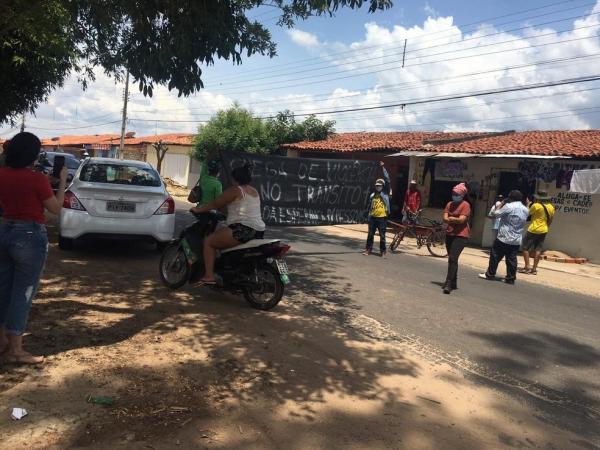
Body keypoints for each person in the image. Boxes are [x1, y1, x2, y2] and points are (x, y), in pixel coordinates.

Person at [0, 132, 68, 364]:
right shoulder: (37, 179)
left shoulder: (2, 174)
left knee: (4, 289)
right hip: (29, 236)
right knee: (23, 293)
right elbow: (55, 209)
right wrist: (62, 183)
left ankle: (2, 341)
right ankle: (15, 351)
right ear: (33, 154)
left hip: (5, 231)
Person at [191, 163, 265, 285]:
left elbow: (216, 203)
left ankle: (209, 276)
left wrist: (198, 210)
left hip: (242, 229)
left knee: (209, 242)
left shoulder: (235, 190)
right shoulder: (254, 191)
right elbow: (237, 206)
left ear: (234, 178)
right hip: (258, 230)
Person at [479, 190, 529, 285]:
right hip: (516, 239)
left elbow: (495, 214)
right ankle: (510, 278)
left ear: (510, 198)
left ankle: (490, 274)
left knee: (495, 256)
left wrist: (501, 204)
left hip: (504, 237)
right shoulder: (525, 209)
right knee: (511, 259)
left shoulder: (508, 206)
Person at [442, 182, 471, 294]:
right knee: (452, 259)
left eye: (457, 193)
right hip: (450, 234)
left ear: (462, 195)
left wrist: (450, 218)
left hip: (461, 235)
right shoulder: (449, 204)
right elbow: (445, 218)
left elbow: (462, 220)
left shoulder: (465, 205)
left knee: (453, 258)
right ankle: (453, 282)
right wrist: (455, 218)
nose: (454, 195)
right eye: (454, 193)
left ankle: (448, 283)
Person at [520, 191, 555, 275]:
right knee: (538, 249)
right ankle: (534, 269)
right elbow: (550, 220)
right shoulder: (551, 207)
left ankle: (527, 266)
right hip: (544, 230)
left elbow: (526, 214)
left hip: (533, 229)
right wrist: (546, 227)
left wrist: (528, 205)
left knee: (525, 248)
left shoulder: (536, 206)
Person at [363, 161, 391, 257]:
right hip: (372, 218)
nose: (378, 187)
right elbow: (368, 207)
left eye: (379, 185)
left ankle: (382, 251)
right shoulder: (372, 195)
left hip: (382, 218)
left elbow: (387, 180)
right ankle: (368, 249)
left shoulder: (385, 194)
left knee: (382, 236)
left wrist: (383, 168)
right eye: (377, 185)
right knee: (370, 235)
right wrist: (368, 216)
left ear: (383, 187)